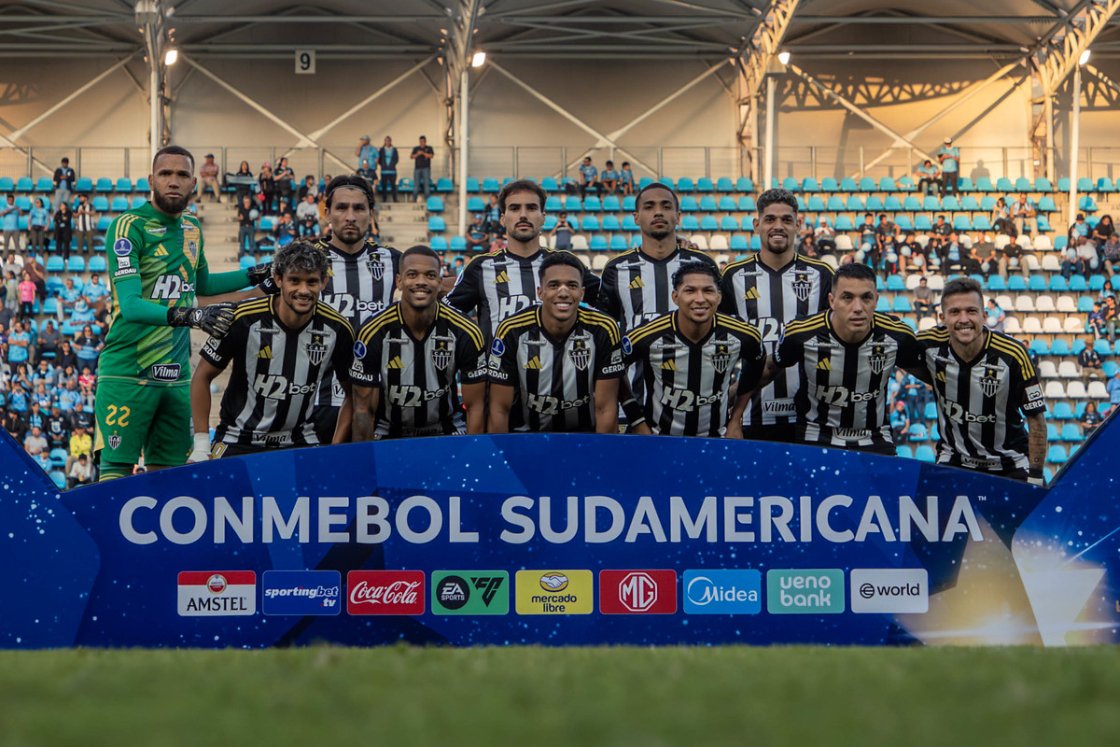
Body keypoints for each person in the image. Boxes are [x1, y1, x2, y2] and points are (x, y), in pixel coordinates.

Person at [94, 145, 274, 481]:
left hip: (175, 378)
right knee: (114, 478)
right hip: (127, 375)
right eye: (165, 174)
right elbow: (131, 306)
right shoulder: (128, 227)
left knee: (169, 479)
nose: (173, 181)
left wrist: (257, 273)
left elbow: (202, 284)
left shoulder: (192, 227)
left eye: (181, 175)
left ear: (194, 182)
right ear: (151, 180)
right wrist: (191, 317)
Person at [189, 242, 354, 460]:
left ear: (324, 282)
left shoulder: (337, 328)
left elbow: (354, 393)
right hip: (238, 439)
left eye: (312, 281)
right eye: (294, 280)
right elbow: (202, 376)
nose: (303, 290)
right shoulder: (242, 318)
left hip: (299, 441)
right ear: (278, 279)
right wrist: (201, 446)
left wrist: (336, 447)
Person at [756, 262, 927, 455]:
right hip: (815, 435)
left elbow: (934, 378)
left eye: (866, 298)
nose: (858, 308)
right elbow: (768, 369)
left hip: (874, 437)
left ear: (876, 300)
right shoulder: (802, 333)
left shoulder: (898, 335)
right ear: (832, 300)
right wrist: (734, 410)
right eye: (847, 297)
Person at [719, 188, 834, 442]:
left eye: (786, 220)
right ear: (756, 225)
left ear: (798, 225)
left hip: (811, 417)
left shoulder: (822, 273)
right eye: (770, 219)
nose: (778, 226)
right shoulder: (733, 276)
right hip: (750, 415)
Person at [917, 277, 1048, 484]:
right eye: (954, 312)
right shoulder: (928, 346)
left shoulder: (1013, 354)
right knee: (924, 509)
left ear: (984, 315)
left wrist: (1036, 476)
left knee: (1035, 515)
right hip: (955, 460)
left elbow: (1036, 420)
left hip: (1010, 463)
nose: (963, 319)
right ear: (942, 317)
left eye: (971, 311)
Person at [349, 245, 485, 440]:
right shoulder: (373, 331)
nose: (421, 282)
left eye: (430, 275)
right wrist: (368, 465)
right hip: (388, 433)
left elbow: (476, 407)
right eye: (412, 275)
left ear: (440, 282)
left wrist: (471, 455)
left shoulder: (466, 331)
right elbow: (363, 410)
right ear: (399, 281)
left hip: (447, 430)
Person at [445, 179, 601, 342]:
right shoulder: (481, 267)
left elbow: (610, 303)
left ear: (543, 217)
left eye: (532, 208)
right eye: (514, 208)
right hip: (497, 366)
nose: (523, 215)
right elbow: (446, 317)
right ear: (503, 219)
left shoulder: (566, 265)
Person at [622, 261, 764, 437]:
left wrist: (736, 417)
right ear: (675, 297)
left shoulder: (744, 335)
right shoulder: (646, 336)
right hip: (659, 437)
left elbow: (757, 366)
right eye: (690, 291)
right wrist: (636, 421)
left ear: (719, 297)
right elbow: (614, 370)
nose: (700, 299)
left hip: (716, 439)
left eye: (708, 291)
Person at [309, 175, 402, 444]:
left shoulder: (393, 260)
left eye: (359, 208)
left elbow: (437, 286)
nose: (350, 216)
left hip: (377, 403)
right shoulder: (304, 257)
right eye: (341, 208)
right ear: (327, 213)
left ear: (370, 214)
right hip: (315, 401)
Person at [489, 252, 623, 434]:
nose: (563, 292)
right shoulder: (512, 330)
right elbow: (499, 409)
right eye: (554, 285)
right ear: (540, 292)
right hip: (526, 437)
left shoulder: (603, 328)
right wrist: (503, 458)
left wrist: (598, 457)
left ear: (582, 293)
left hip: (584, 438)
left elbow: (606, 408)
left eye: (572, 285)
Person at [599, 182, 715, 335]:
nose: (658, 212)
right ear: (636, 217)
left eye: (666, 207)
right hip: (635, 358)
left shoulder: (703, 264)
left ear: (678, 216)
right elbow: (608, 323)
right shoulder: (616, 268)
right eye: (649, 207)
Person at [410, 135, 434, 202]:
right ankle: (414, 200)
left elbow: (431, 156)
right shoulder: (416, 148)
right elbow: (411, 156)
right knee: (416, 185)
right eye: (420, 141)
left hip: (426, 168)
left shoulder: (429, 148)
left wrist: (423, 153)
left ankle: (428, 201)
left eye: (423, 141)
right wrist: (417, 154)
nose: (422, 143)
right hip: (417, 169)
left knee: (426, 185)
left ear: (425, 141)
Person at [377, 136, 399, 203]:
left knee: (393, 186)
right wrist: (383, 165)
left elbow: (396, 159)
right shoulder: (381, 149)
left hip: (392, 171)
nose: (387, 142)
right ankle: (384, 199)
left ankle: (395, 199)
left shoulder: (394, 149)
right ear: (385, 141)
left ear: (390, 141)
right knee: (384, 186)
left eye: (389, 140)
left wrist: (392, 164)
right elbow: (379, 159)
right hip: (384, 171)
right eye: (386, 141)